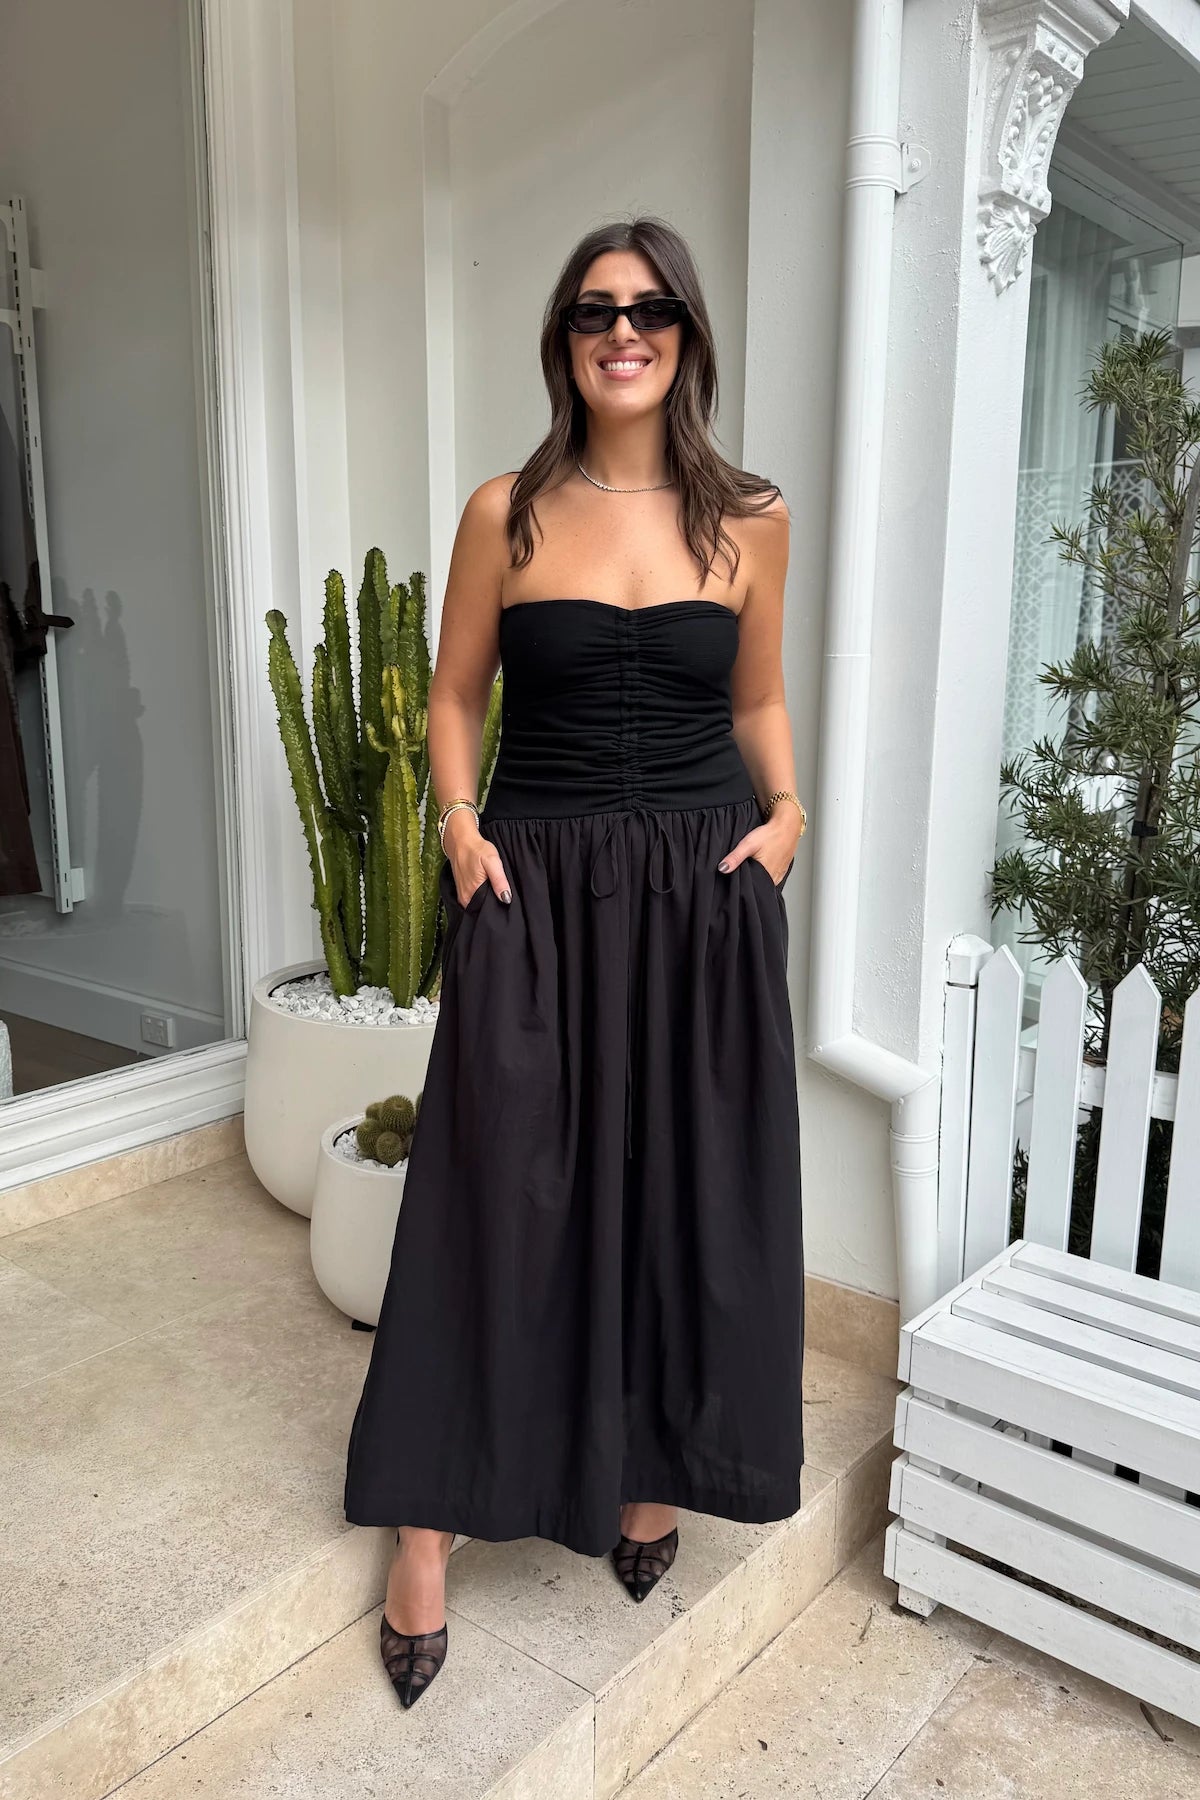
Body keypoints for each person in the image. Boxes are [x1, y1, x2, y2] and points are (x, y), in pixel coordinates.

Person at [343, 214, 807, 1709]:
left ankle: (654, 1468)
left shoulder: (751, 517)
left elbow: (757, 701)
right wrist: (463, 829)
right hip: (533, 889)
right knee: (492, 1191)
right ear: (563, 336)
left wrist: (791, 813)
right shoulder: (508, 511)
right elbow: (455, 694)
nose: (626, 330)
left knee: (681, 1185)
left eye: (653, 308)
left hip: (698, 894)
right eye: (597, 309)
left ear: (688, 334)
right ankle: (427, 1527)